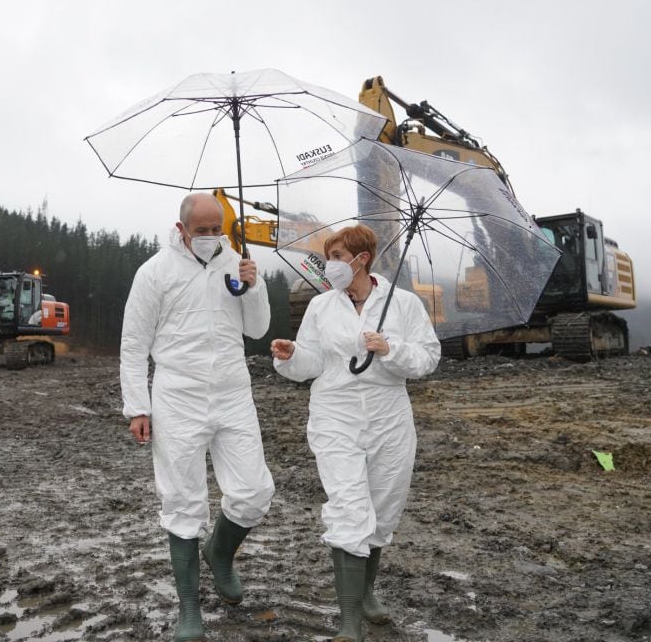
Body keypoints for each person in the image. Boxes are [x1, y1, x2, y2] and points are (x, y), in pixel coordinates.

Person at [270, 224, 440, 642]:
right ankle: (349, 622)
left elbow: (428, 358)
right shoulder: (322, 306)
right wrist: (292, 356)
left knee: (383, 506)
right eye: (330, 256)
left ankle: (365, 593)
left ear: (362, 258)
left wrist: (390, 349)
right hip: (335, 413)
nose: (332, 265)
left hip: (389, 416)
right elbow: (311, 363)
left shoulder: (403, 303)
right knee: (348, 505)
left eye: (339, 256)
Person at [120, 192, 275, 641]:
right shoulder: (154, 272)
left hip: (232, 393)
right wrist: (137, 407)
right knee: (183, 500)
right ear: (182, 228)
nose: (211, 238)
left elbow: (257, 329)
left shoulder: (236, 263)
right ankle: (190, 609)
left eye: (217, 229)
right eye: (202, 230)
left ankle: (220, 554)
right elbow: (133, 344)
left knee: (253, 491)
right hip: (178, 398)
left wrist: (254, 286)